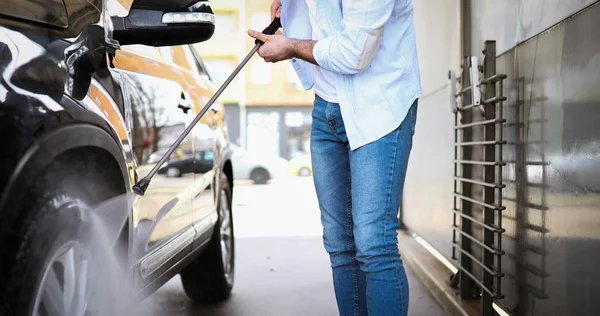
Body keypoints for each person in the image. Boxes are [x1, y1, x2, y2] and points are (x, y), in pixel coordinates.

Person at [248, 0, 421, 315]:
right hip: (327, 105)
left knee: (374, 243)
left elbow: (355, 53)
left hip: (379, 106)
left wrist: (289, 47)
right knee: (340, 245)